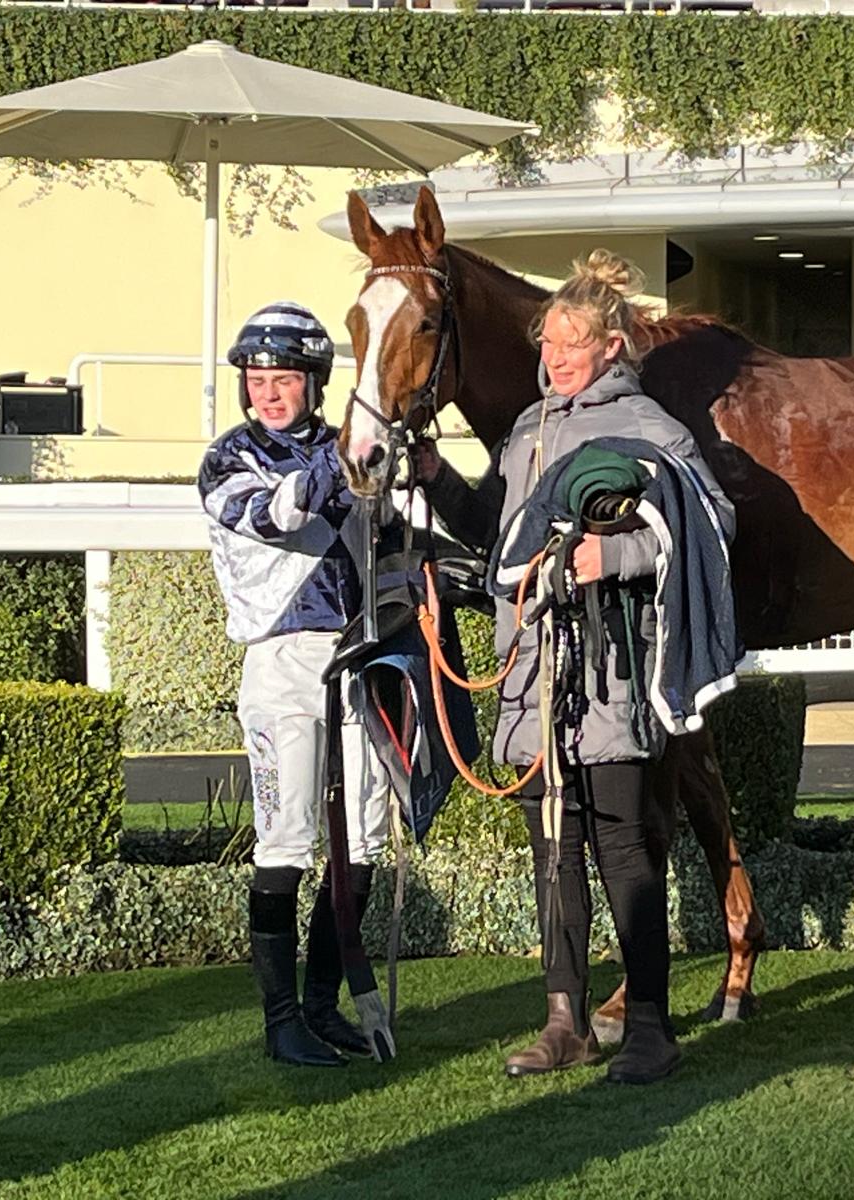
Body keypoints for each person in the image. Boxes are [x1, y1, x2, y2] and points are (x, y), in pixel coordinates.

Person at [414, 251, 736, 1086]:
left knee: (625, 848)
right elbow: (495, 529)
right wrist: (436, 477)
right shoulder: (528, 429)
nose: (553, 361)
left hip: (612, 678)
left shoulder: (652, 429)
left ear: (612, 348)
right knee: (553, 849)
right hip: (530, 678)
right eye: (547, 345)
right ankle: (565, 1022)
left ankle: (651, 1028)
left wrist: (616, 554)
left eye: (570, 346)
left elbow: (711, 524)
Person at [198, 301, 389, 1068]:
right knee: (289, 842)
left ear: (314, 382)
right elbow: (280, 515)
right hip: (283, 663)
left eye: (283, 380)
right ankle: (281, 1024)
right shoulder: (227, 459)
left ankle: (321, 1006)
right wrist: (348, 456)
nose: (267, 394)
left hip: (362, 659)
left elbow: (395, 539)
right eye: (256, 380)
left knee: (366, 838)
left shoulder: (356, 454)